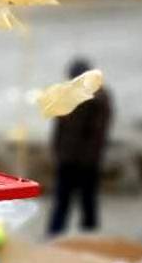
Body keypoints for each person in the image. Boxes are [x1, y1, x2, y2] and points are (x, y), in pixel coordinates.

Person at [47, 57, 114, 236]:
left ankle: (60, 236)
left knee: (78, 202)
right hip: (75, 160)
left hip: (80, 162)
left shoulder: (95, 99)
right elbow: (60, 127)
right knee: (76, 202)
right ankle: (65, 236)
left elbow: (96, 134)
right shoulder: (99, 97)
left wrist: (58, 152)